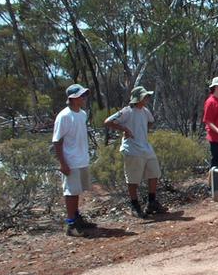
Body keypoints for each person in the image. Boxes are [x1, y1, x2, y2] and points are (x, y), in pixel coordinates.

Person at [104, 86, 168, 218]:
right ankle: (134, 205)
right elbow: (108, 121)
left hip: (145, 147)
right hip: (132, 149)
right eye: (145, 96)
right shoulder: (127, 111)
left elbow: (151, 122)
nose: (147, 99)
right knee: (133, 179)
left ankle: (151, 202)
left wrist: (143, 130)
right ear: (138, 98)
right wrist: (125, 129)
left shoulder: (145, 111)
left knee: (154, 172)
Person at [52, 83, 96, 237]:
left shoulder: (82, 114)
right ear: (72, 98)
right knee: (70, 192)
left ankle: (77, 219)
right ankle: (71, 225)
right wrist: (63, 163)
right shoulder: (64, 116)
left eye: (85, 95)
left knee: (76, 191)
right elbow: (57, 141)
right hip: (70, 161)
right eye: (81, 96)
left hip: (82, 159)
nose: (84, 98)